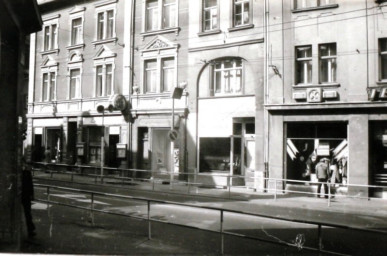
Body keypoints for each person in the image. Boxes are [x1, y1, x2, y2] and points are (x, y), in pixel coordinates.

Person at [21, 159, 36, 237]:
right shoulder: (25, 173)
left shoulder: (25, 172)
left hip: (24, 195)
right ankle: (30, 229)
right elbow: (30, 185)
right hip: (24, 195)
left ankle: (30, 229)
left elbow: (30, 185)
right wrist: (32, 195)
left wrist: (32, 195)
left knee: (28, 213)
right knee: (27, 213)